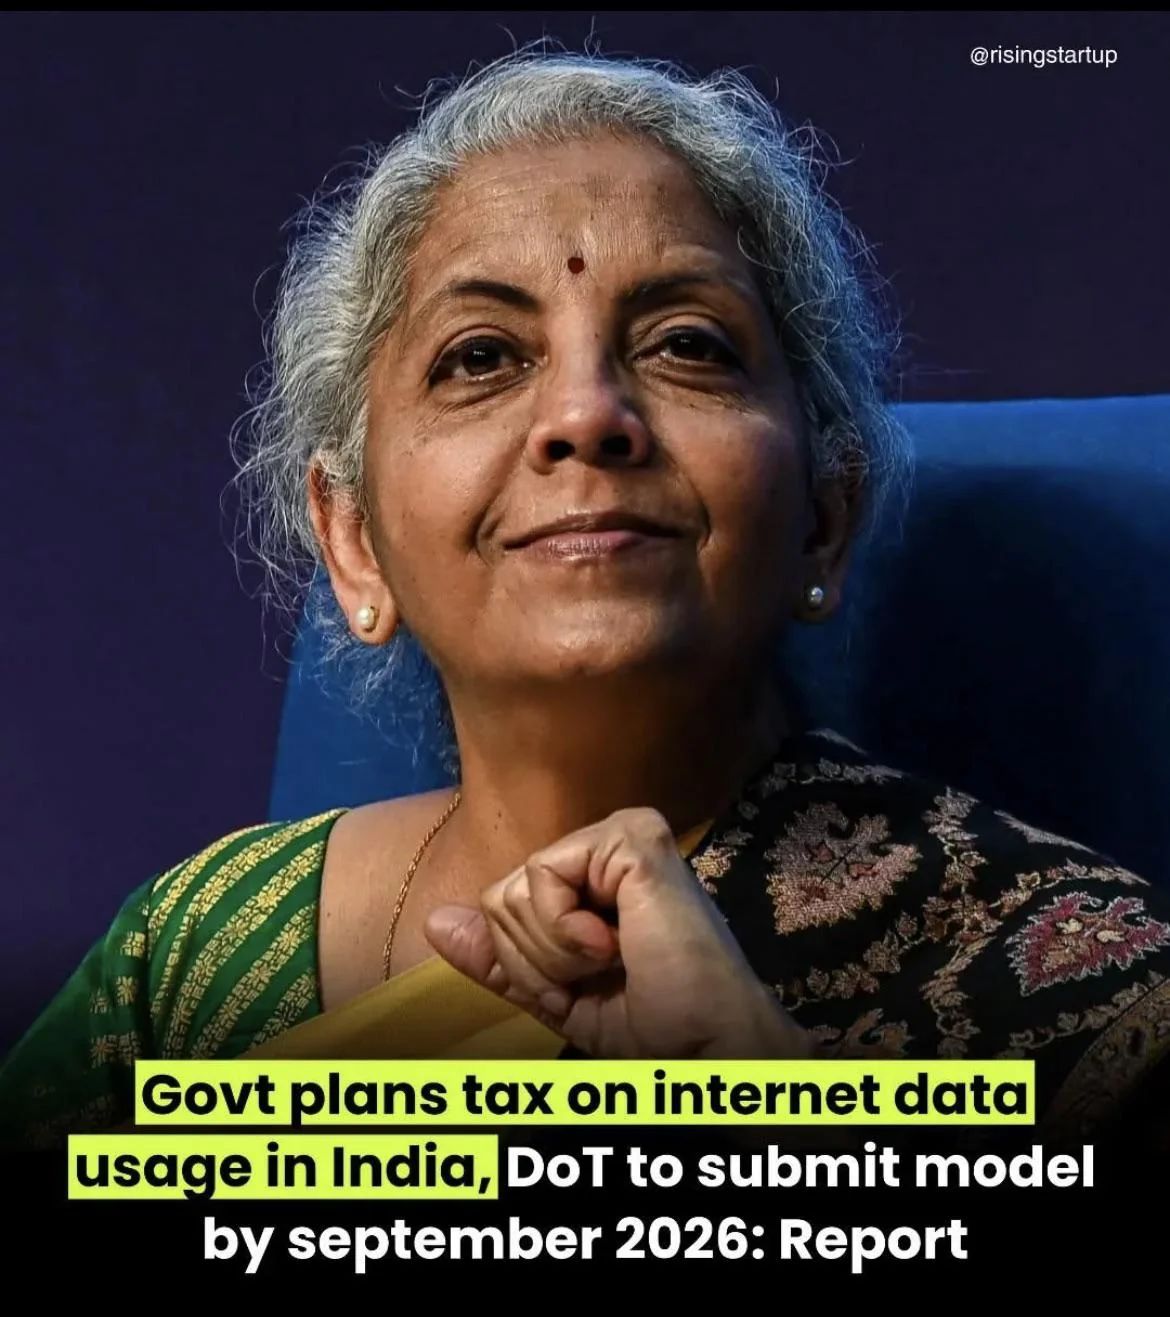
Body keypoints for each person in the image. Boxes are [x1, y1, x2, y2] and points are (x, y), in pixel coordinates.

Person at [2, 46, 1167, 1155]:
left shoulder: (1077, 993)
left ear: (825, 515)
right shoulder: (189, 965)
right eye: (480, 357)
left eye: (688, 344)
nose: (586, 415)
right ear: (352, 542)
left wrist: (763, 1102)